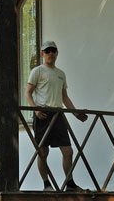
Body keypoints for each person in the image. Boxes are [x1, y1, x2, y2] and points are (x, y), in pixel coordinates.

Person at [24, 40, 88, 192]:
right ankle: (47, 185)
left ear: (57, 53)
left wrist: (76, 112)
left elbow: (64, 97)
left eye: (53, 50)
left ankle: (70, 184)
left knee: (68, 151)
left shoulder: (61, 74)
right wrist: (35, 109)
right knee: (43, 151)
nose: (50, 53)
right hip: (43, 114)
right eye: (47, 51)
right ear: (42, 54)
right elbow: (28, 92)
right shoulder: (37, 71)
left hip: (58, 114)